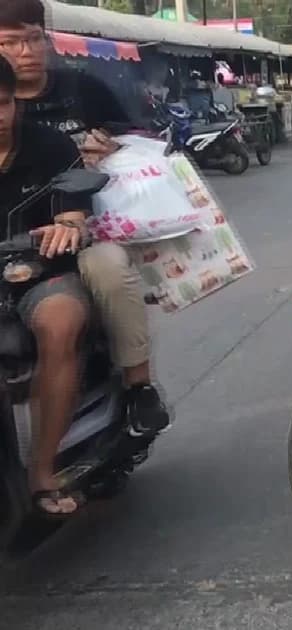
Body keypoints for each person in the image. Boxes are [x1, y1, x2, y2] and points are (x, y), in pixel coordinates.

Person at [0, 0, 169, 437]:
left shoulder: (82, 88)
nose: (25, 51)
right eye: (11, 42)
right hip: (9, 238)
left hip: (85, 224)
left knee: (109, 268)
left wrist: (114, 147)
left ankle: (138, 387)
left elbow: (141, 136)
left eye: (33, 38)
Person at [0, 56, 94, 515]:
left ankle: (41, 470)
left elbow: (73, 209)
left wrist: (66, 227)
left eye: (0, 104)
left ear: (14, 100)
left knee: (61, 321)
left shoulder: (51, 146)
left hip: (37, 273)